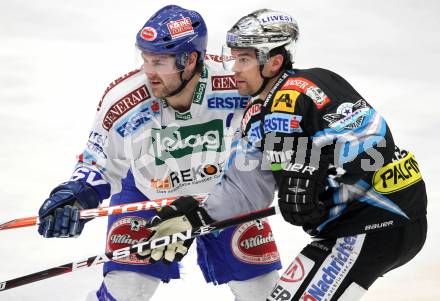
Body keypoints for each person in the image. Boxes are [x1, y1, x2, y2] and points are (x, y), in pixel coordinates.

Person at [146, 8, 428, 301]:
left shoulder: (310, 87)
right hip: (345, 232)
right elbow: (245, 190)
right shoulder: (254, 117)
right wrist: (195, 217)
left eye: (244, 59)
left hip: (379, 222)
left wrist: (314, 168)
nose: (234, 69)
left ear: (274, 62)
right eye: (233, 57)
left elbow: (373, 143)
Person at [36, 5, 283, 301]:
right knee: (126, 292)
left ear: (190, 60)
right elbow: (99, 161)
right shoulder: (124, 100)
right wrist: (75, 195)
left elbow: (288, 114)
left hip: (224, 197)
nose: (149, 72)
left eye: (160, 62)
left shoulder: (236, 84)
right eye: (146, 59)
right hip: (148, 194)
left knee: (263, 292)